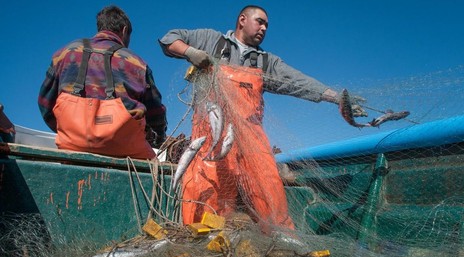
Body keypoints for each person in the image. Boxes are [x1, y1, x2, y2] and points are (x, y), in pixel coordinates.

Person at [159, 5, 367, 234]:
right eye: (260, 21)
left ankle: (281, 240)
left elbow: (299, 83)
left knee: (269, 186)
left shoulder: (267, 62)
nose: (264, 28)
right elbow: (169, 39)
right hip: (211, 136)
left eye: (266, 25)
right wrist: (190, 52)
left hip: (251, 138)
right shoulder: (211, 40)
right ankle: (202, 239)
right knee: (205, 189)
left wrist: (337, 98)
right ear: (242, 20)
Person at [39, 6, 167, 159]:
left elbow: (45, 104)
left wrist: (73, 132)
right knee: (157, 167)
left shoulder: (65, 53)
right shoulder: (138, 63)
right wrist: (159, 138)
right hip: (127, 149)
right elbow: (156, 113)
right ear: (124, 30)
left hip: (71, 144)